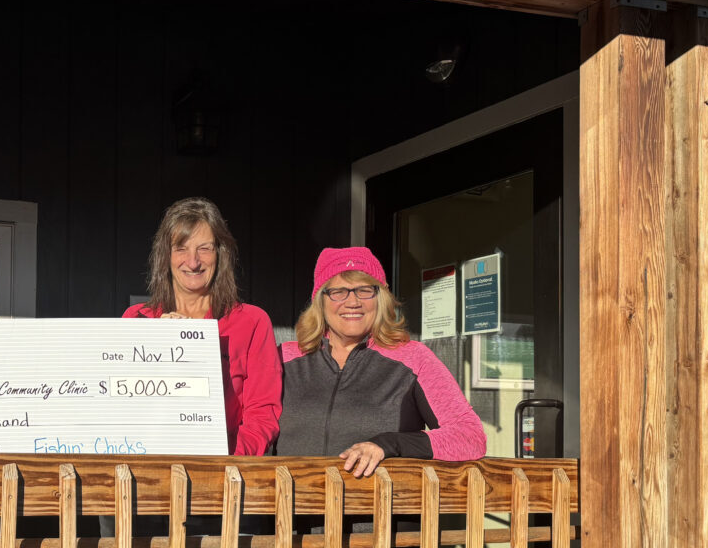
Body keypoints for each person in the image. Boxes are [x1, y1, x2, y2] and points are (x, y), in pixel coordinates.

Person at [278, 246, 485, 477]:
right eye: (338, 292)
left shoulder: (414, 358)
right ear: (321, 300)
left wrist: (390, 444)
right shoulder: (283, 358)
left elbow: (470, 436)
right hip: (288, 509)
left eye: (365, 290)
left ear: (381, 298)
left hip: (383, 509)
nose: (353, 302)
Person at [123, 197, 282, 456]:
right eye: (181, 248)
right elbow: (122, 405)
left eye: (204, 248)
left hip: (224, 473)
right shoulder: (136, 319)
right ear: (166, 255)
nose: (193, 261)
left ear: (221, 253)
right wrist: (154, 346)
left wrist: (226, 458)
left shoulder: (252, 322)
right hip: (148, 468)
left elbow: (263, 414)